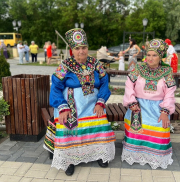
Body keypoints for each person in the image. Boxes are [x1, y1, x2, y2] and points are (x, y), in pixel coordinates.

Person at [43, 28, 116, 176]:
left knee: (100, 121)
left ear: (87, 48)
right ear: (72, 50)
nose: (81, 51)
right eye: (77, 48)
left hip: (93, 103)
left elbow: (104, 83)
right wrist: (63, 107)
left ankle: (101, 154)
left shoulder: (96, 64)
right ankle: (68, 159)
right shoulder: (65, 66)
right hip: (71, 103)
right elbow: (56, 87)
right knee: (68, 124)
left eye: (84, 47)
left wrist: (100, 102)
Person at [121, 39, 176, 169]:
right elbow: (129, 86)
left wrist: (165, 112)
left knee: (160, 126)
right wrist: (132, 102)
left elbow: (170, 93)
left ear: (160, 57)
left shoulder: (167, 72)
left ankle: (156, 157)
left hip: (158, 108)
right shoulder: (138, 69)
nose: (150, 58)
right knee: (137, 124)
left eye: (154, 55)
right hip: (138, 106)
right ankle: (135, 154)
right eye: (149, 55)